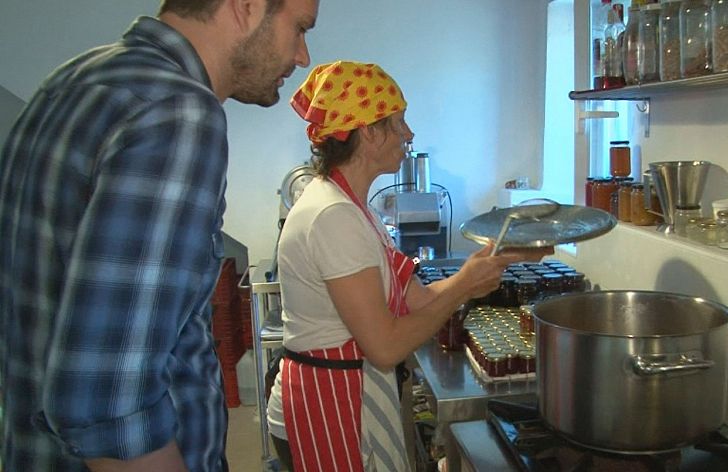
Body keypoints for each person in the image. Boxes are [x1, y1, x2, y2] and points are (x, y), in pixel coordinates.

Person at [0, 0, 320, 470]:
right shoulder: (178, 112)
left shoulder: (74, 78)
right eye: (299, 29)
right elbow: (109, 409)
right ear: (246, 7)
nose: (302, 56)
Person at [267, 60, 553, 472]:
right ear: (367, 131)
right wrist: (462, 287)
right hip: (326, 402)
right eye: (398, 122)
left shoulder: (352, 208)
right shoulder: (332, 215)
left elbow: (416, 300)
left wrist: (493, 261)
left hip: (348, 392)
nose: (409, 134)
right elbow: (386, 347)